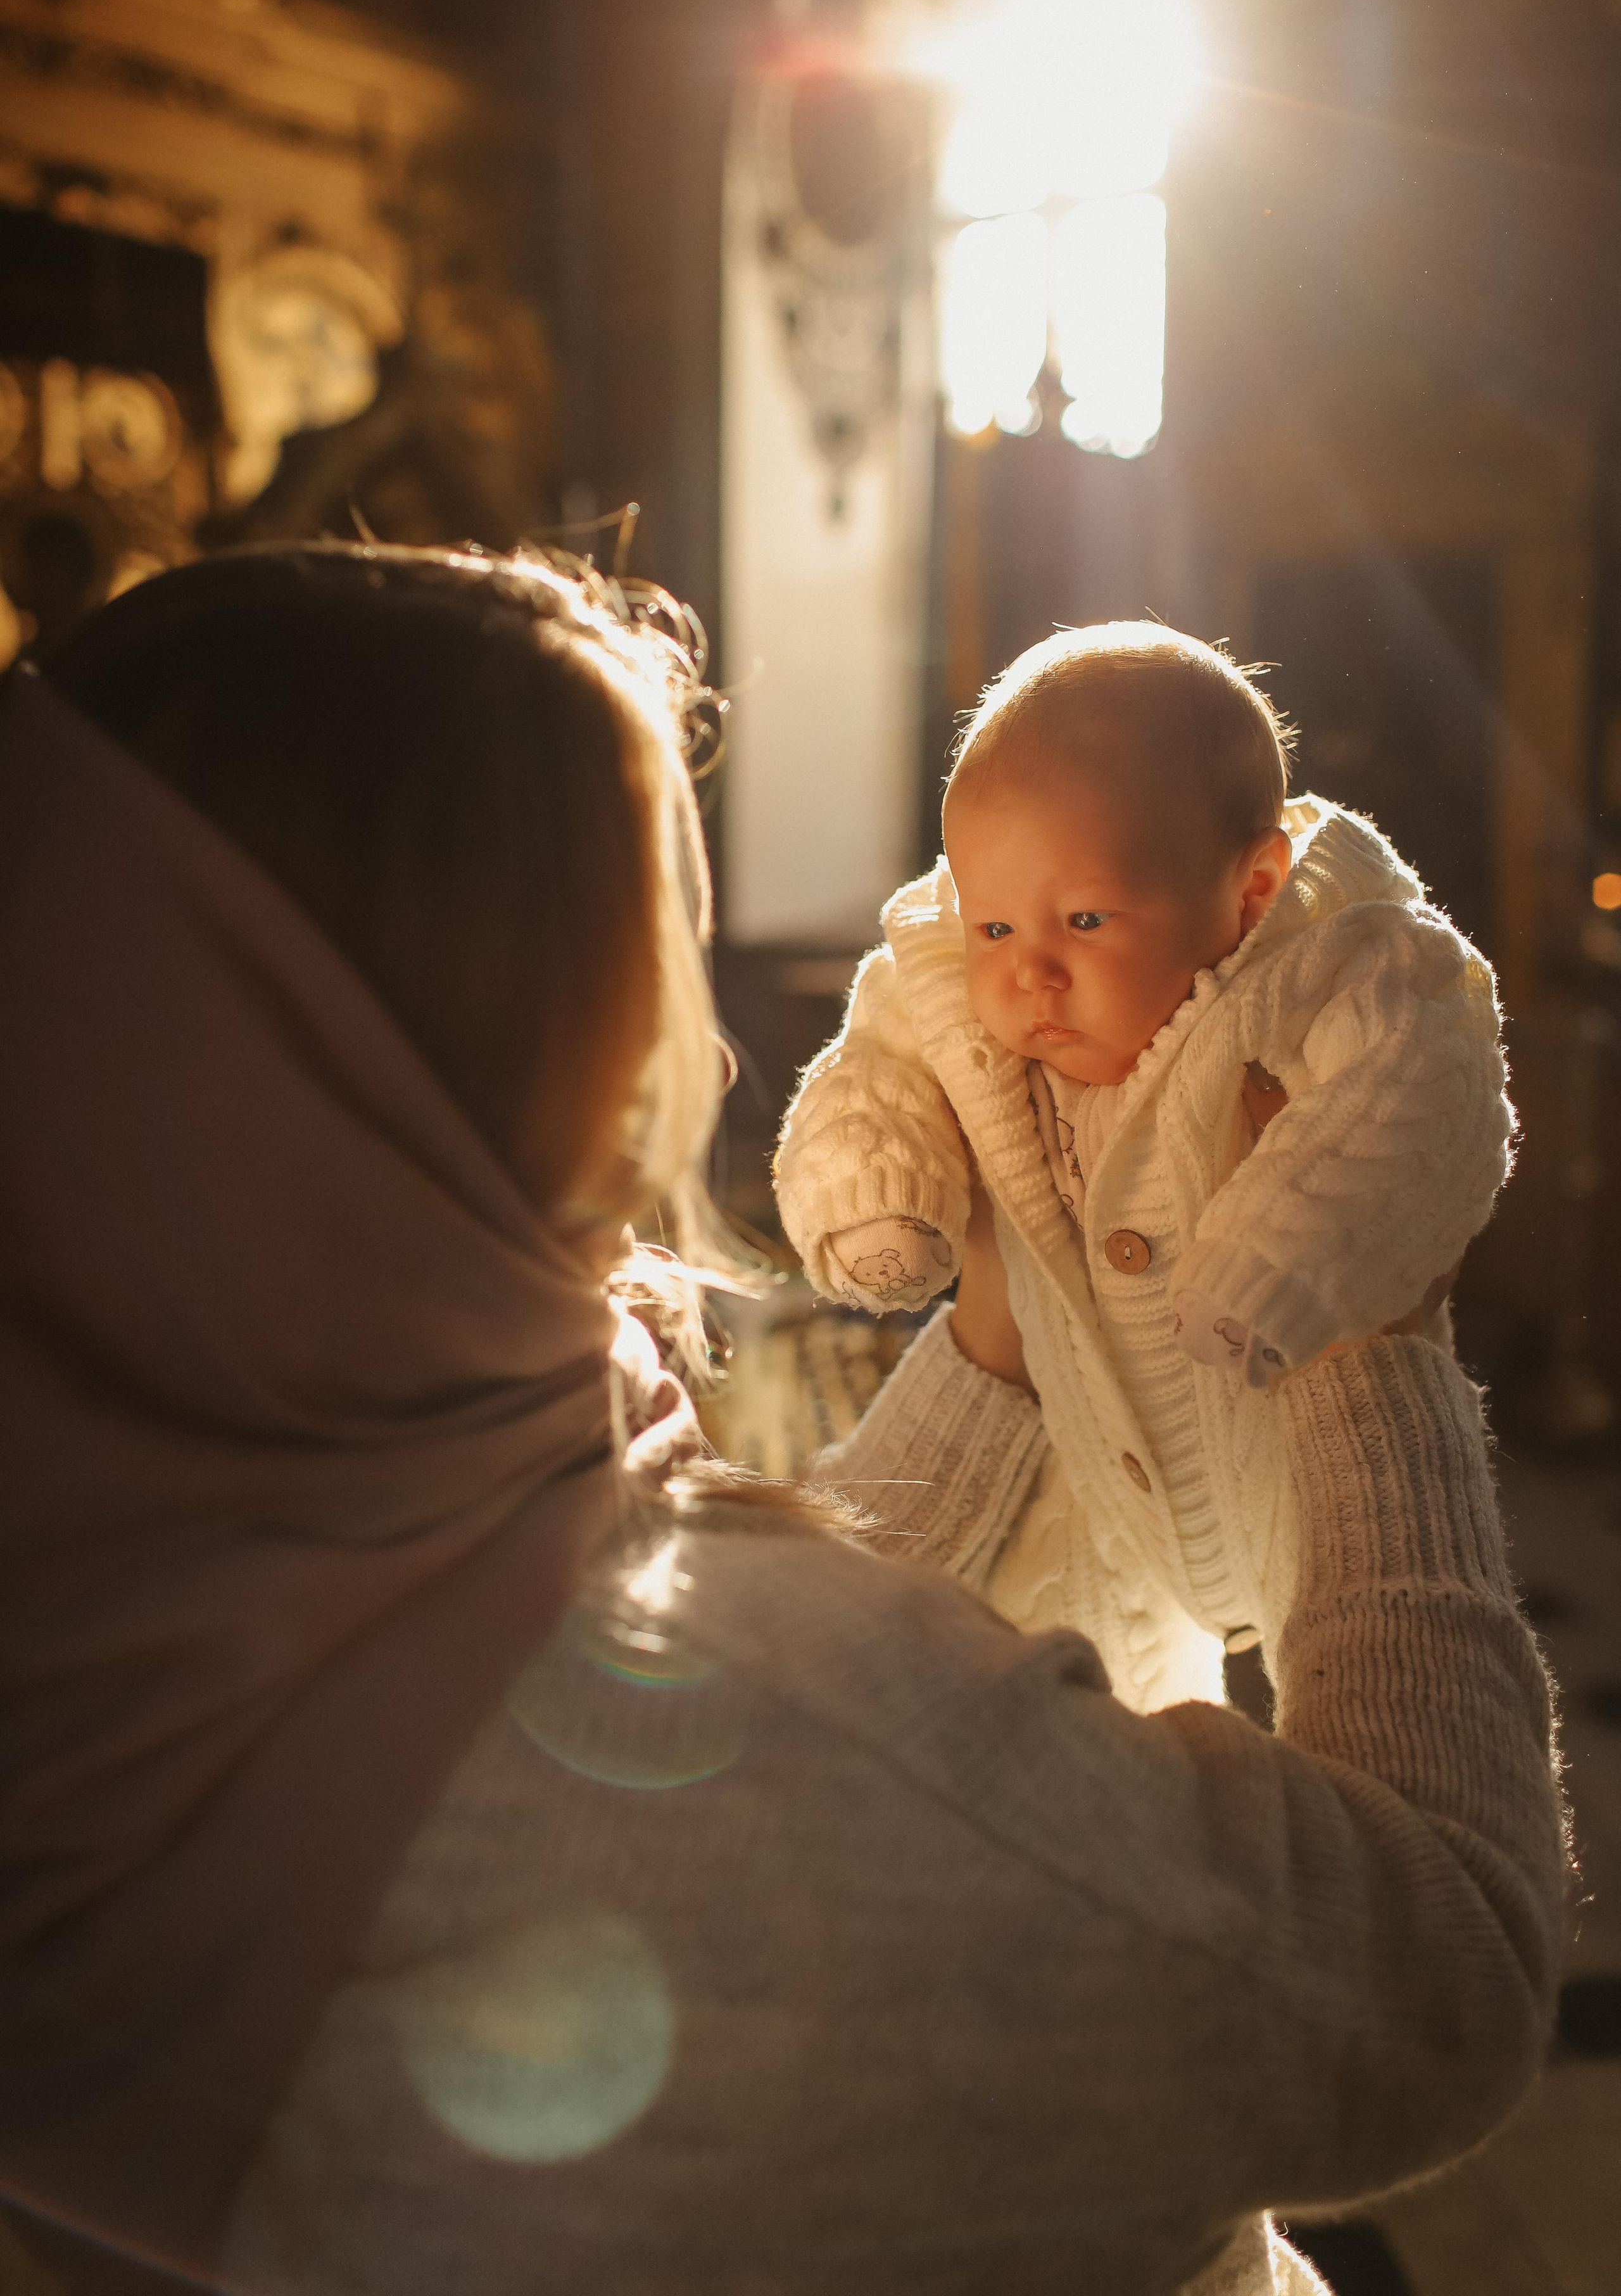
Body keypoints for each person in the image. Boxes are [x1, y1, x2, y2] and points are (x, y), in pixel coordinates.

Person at [0, 548, 1561, 2296]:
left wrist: (993, 1344)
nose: (719, 1070)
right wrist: (1365, 1318)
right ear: (548, 1046)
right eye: (656, 949)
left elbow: (725, 1634)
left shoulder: (114, 1578)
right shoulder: (798, 1805)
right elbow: (1439, 1969)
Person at [776, 624, 1514, 1709]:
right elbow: (874, 1074)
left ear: (1252, 888)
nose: (1029, 970)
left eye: (1085, 919)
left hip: (1294, 1445)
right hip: (1090, 1458)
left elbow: (1410, 1096)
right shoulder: (948, 976)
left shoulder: (1335, 965)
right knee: (1077, 1684)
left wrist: (1290, 1262)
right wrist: (878, 1206)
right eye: (993, 925)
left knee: (1365, 1699)